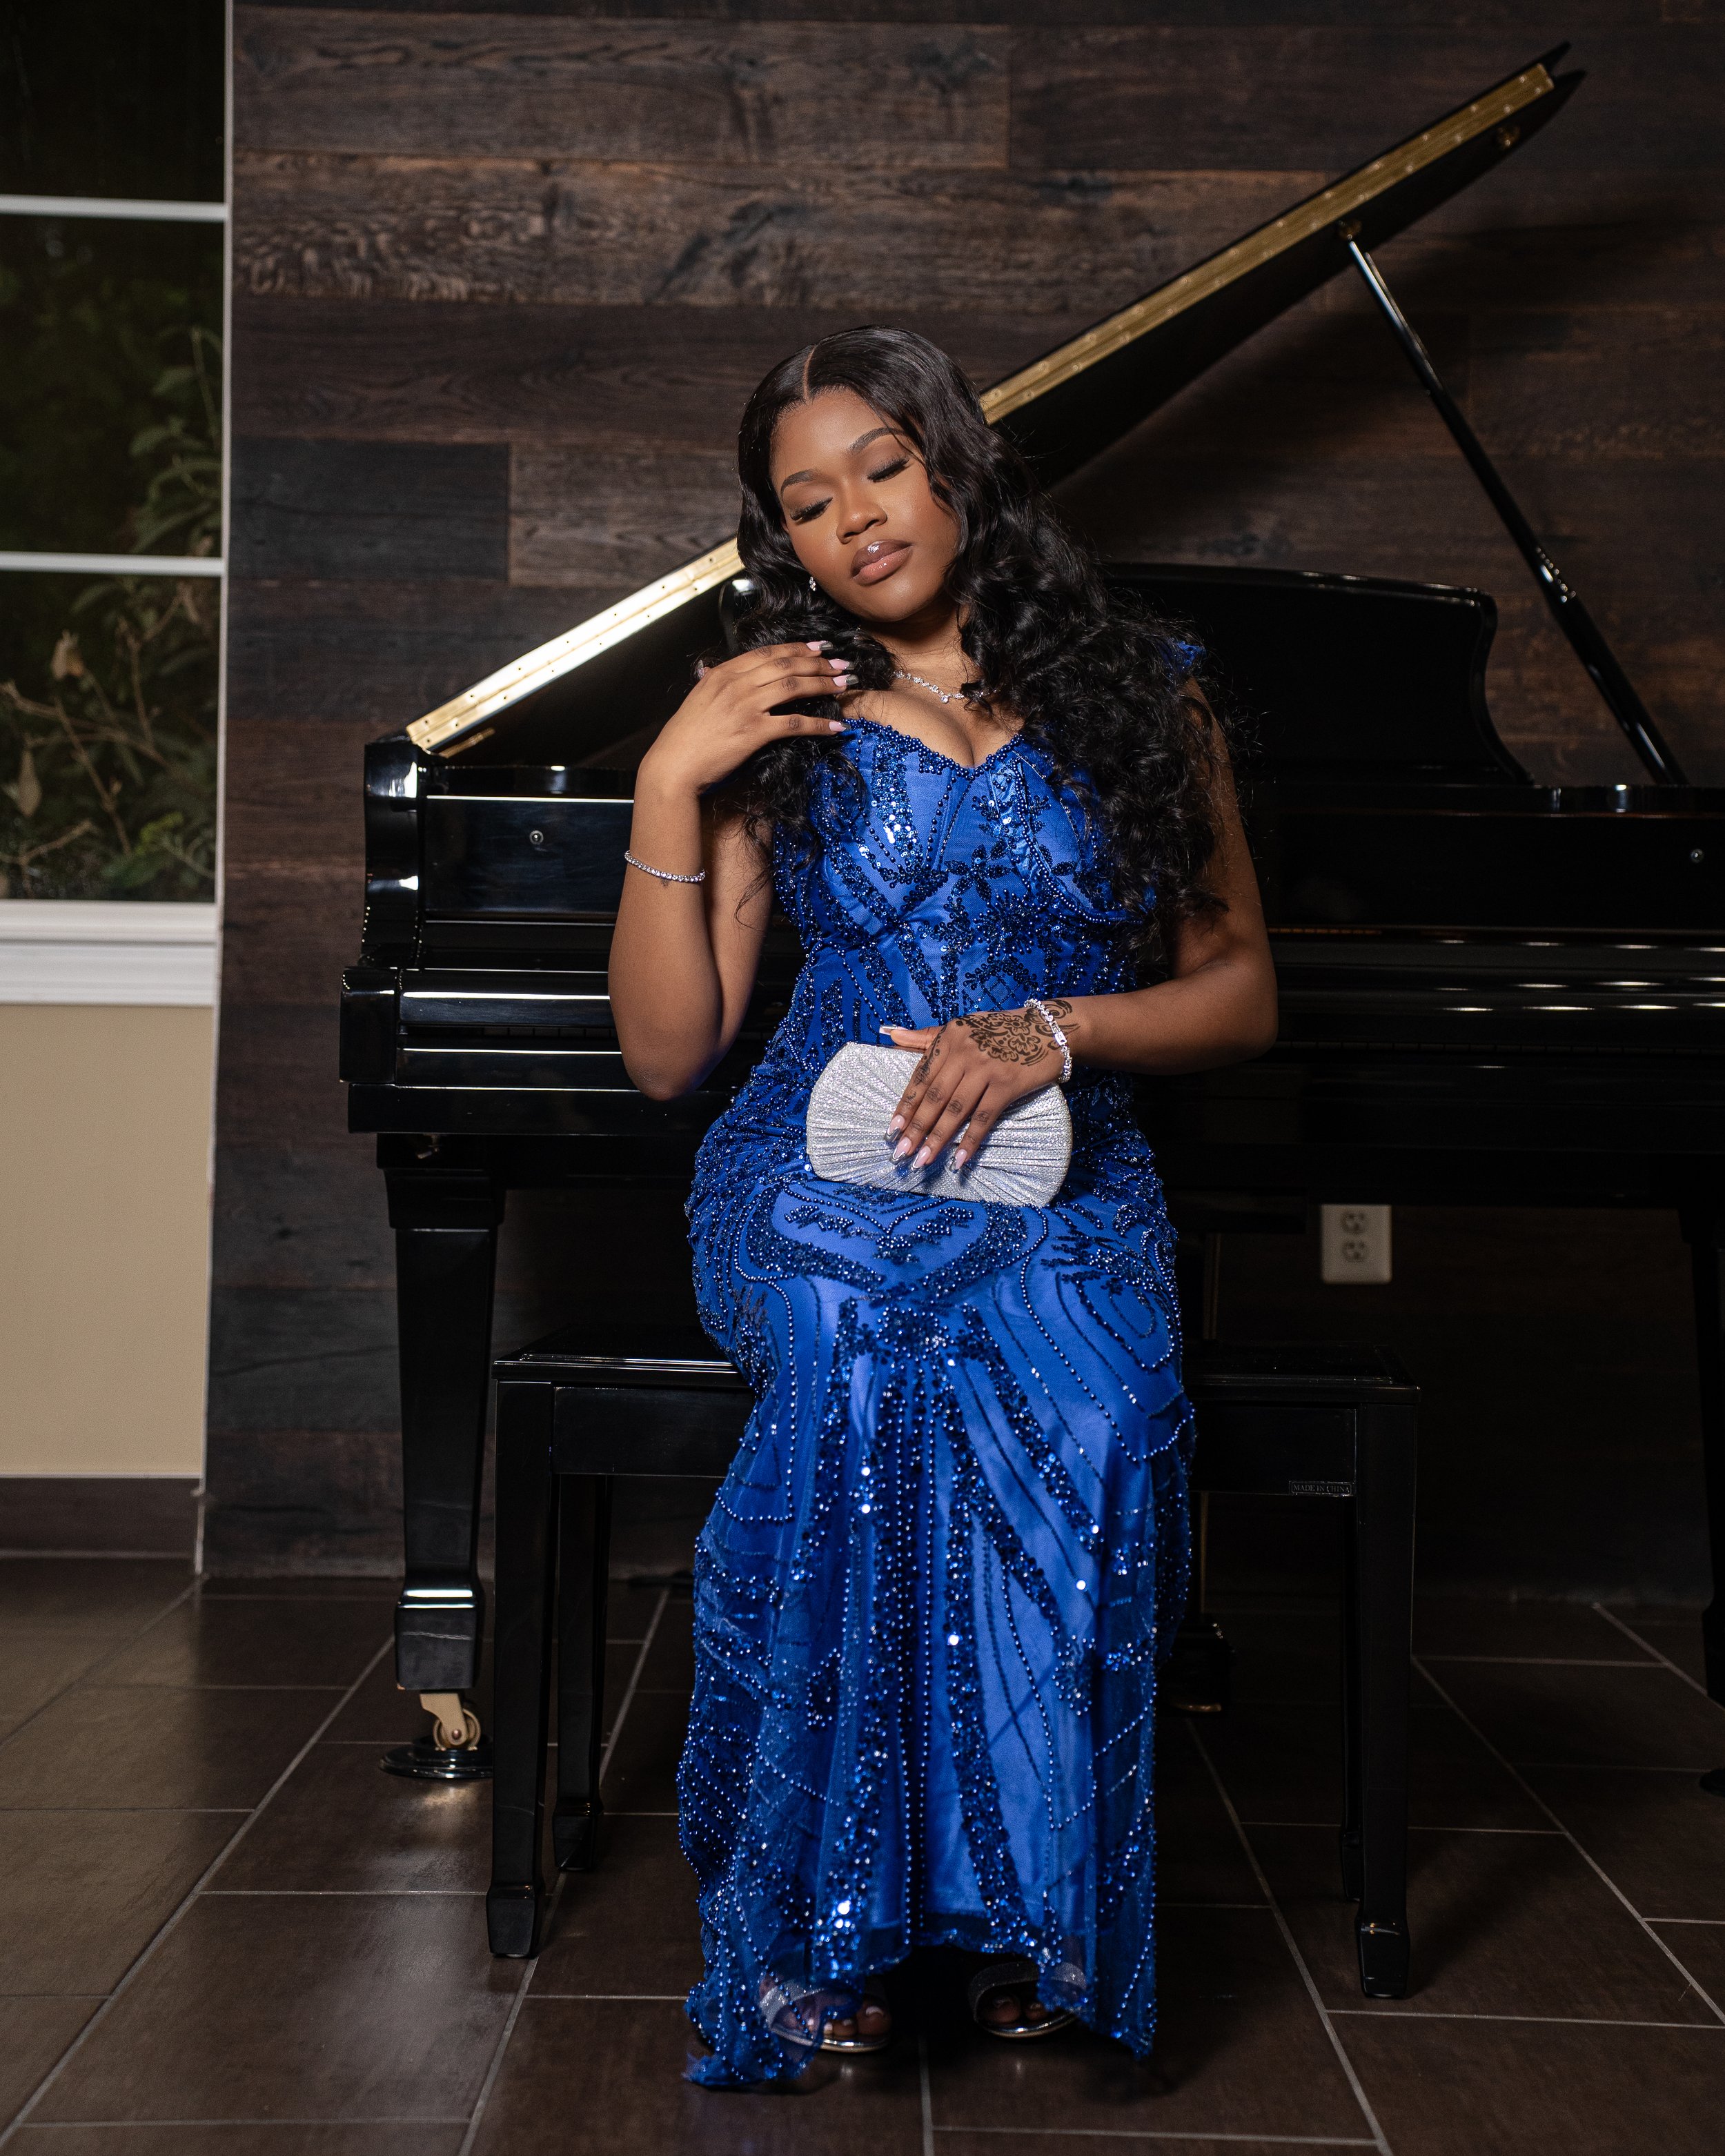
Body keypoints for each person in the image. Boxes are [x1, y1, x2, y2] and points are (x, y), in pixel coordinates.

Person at [607, 326, 1277, 2086]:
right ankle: (833, 1923)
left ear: (956, 467)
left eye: (881, 470)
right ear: (784, 542)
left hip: (1066, 1174)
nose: (856, 521)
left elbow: (1238, 995)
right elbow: (670, 1055)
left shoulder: (1146, 692)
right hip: (810, 1166)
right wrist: (669, 780)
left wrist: (1053, 1029)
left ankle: (1016, 1918)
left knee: (1097, 1393)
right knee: (854, 1341)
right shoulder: (782, 716)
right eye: (806, 504)